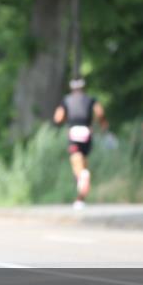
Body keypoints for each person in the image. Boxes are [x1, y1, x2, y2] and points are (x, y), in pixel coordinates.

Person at [53, 77, 107, 210]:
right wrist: (101, 123)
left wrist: (64, 120)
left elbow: (58, 117)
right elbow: (100, 112)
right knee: (84, 159)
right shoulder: (90, 99)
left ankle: (81, 175)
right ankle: (81, 197)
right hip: (87, 131)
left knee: (76, 161)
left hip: (74, 131)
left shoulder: (66, 100)